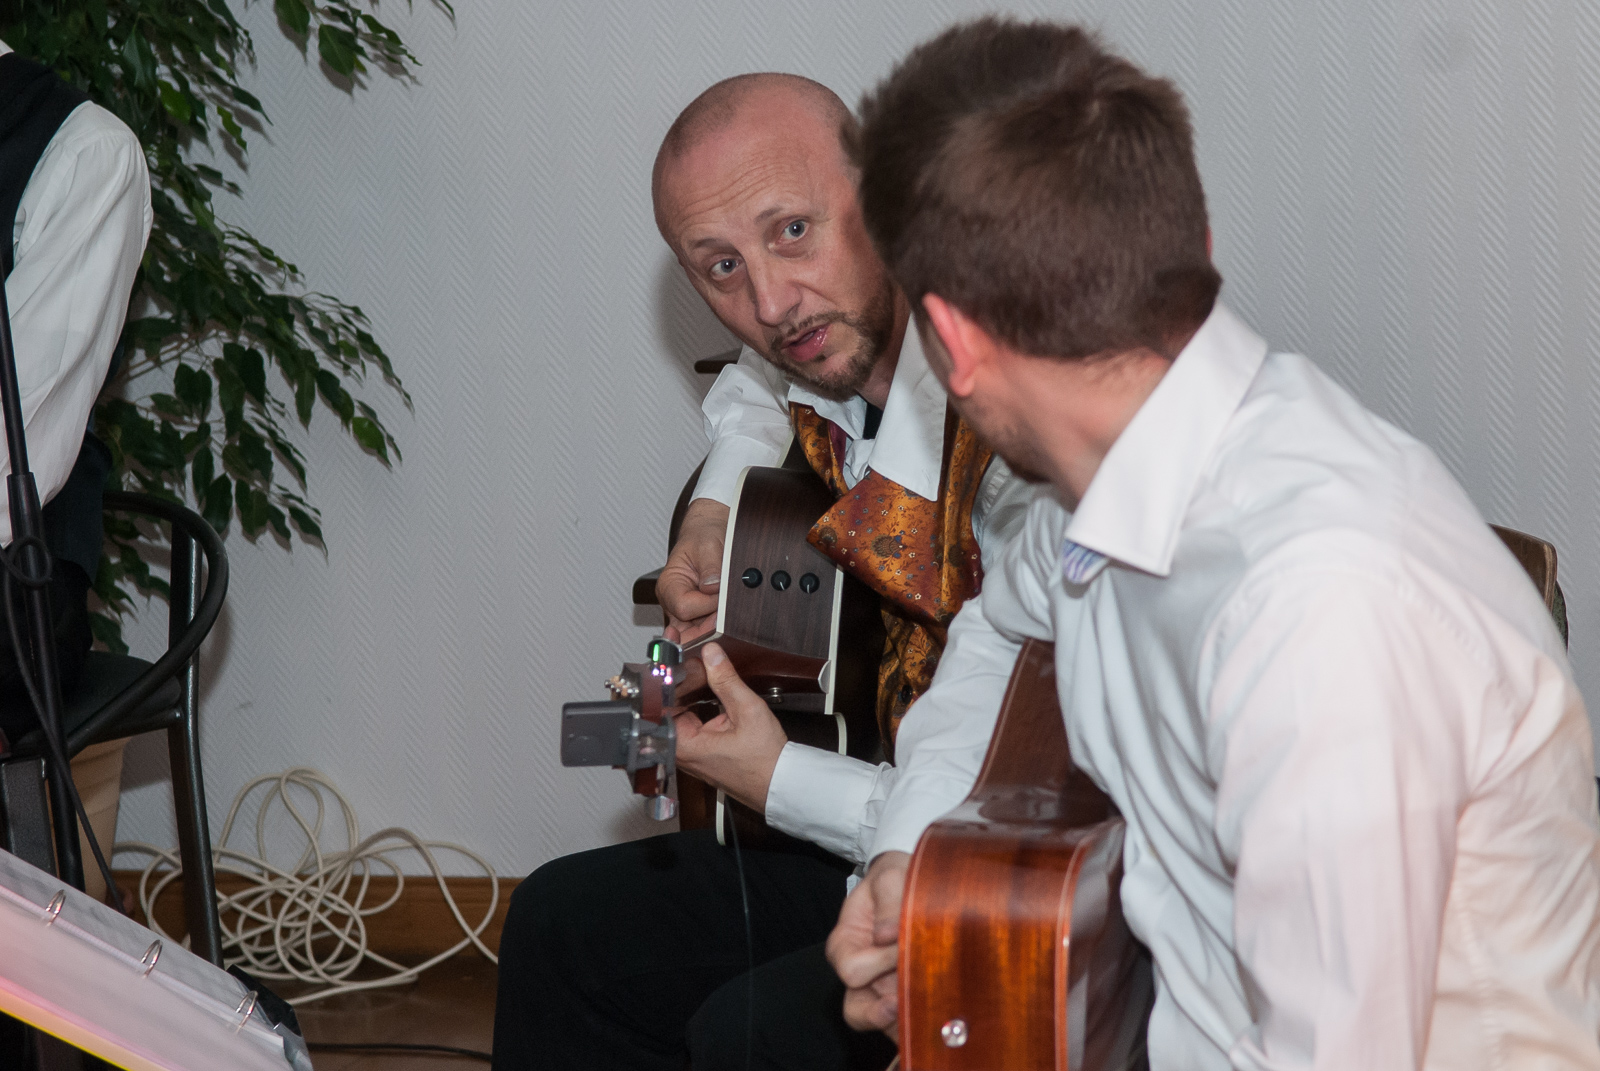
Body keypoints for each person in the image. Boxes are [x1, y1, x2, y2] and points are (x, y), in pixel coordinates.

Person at [823, 17, 1600, 1070]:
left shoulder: (1318, 608)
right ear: (1192, 242)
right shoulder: (1104, 476)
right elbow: (1001, 631)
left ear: (950, 343)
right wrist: (914, 860)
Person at [491, 74, 1031, 1071]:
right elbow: (756, 379)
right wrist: (716, 506)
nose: (772, 304)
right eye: (721, 266)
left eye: (792, 231)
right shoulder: (834, 353)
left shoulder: (1018, 438)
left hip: (1015, 888)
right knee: (557, 926)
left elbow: (1010, 809)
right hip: (873, 821)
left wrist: (777, 779)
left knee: (749, 1034)